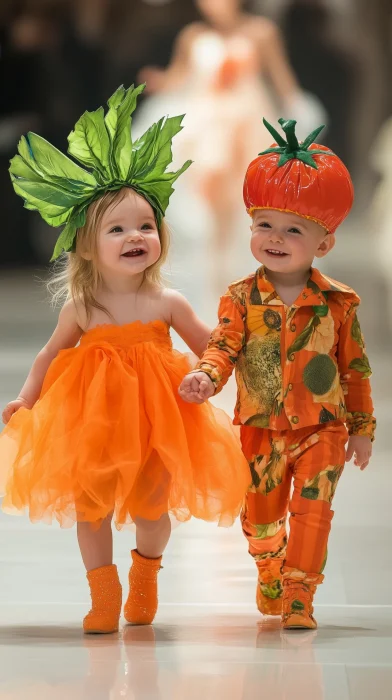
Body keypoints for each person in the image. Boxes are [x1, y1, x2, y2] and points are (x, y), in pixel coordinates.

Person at [0, 84, 250, 635]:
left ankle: (146, 571)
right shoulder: (82, 306)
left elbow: (213, 342)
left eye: (145, 226)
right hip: (91, 421)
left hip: (158, 418)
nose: (135, 236)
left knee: (153, 506)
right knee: (90, 507)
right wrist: (26, 396)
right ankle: (102, 592)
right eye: (117, 229)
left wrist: (214, 374)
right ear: (87, 246)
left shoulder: (168, 302)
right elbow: (49, 354)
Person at [179, 117, 376, 630]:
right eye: (264, 224)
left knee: (314, 511)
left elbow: (354, 368)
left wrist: (361, 430)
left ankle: (299, 596)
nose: (276, 238)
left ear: (324, 243)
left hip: (322, 427)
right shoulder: (240, 297)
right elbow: (224, 345)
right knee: (262, 520)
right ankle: (270, 564)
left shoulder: (339, 303)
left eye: (294, 230)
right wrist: (207, 375)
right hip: (260, 428)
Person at [137, 0, 324, 293]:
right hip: (207, 123)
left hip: (246, 122)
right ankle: (217, 263)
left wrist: (297, 116)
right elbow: (180, 77)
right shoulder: (193, 36)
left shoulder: (261, 32)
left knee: (245, 193)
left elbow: (281, 77)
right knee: (212, 190)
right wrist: (159, 81)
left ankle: (244, 262)